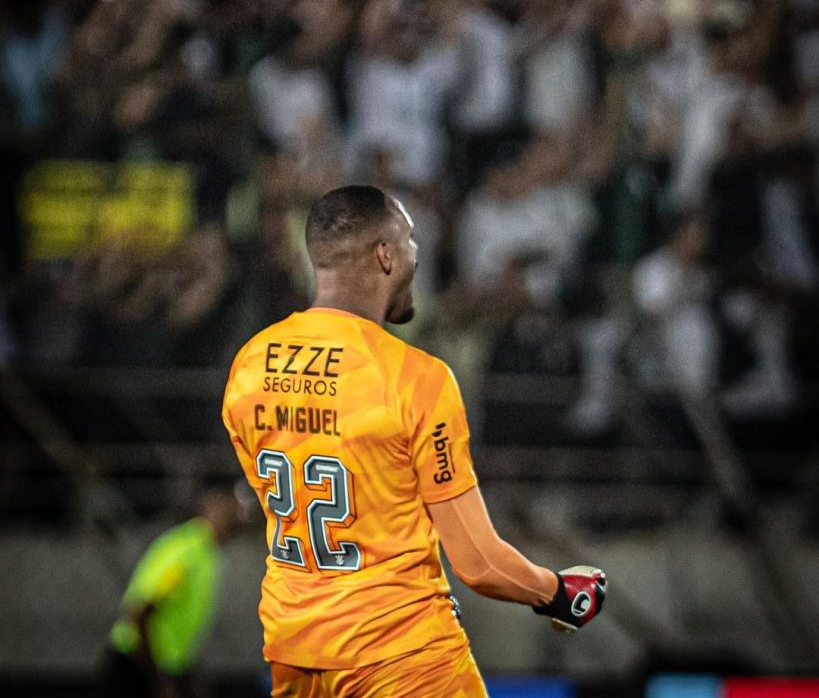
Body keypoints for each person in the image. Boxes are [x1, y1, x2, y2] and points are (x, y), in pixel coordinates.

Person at [222, 185, 607, 698]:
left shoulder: (251, 364)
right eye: (409, 240)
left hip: (297, 659)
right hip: (403, 660)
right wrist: (559, 593)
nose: (416, 256)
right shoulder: (414, 378)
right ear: (384, 255)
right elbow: (479, 562)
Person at [103, 488, 244, 698]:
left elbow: (180, 624)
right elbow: (140, 612)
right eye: (229, 515)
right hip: (136, 664)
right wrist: (158, 679)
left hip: (165, 665)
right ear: (210, 512)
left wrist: (187, 676)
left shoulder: (209, 554)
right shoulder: (185, 550)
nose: (235, 522)